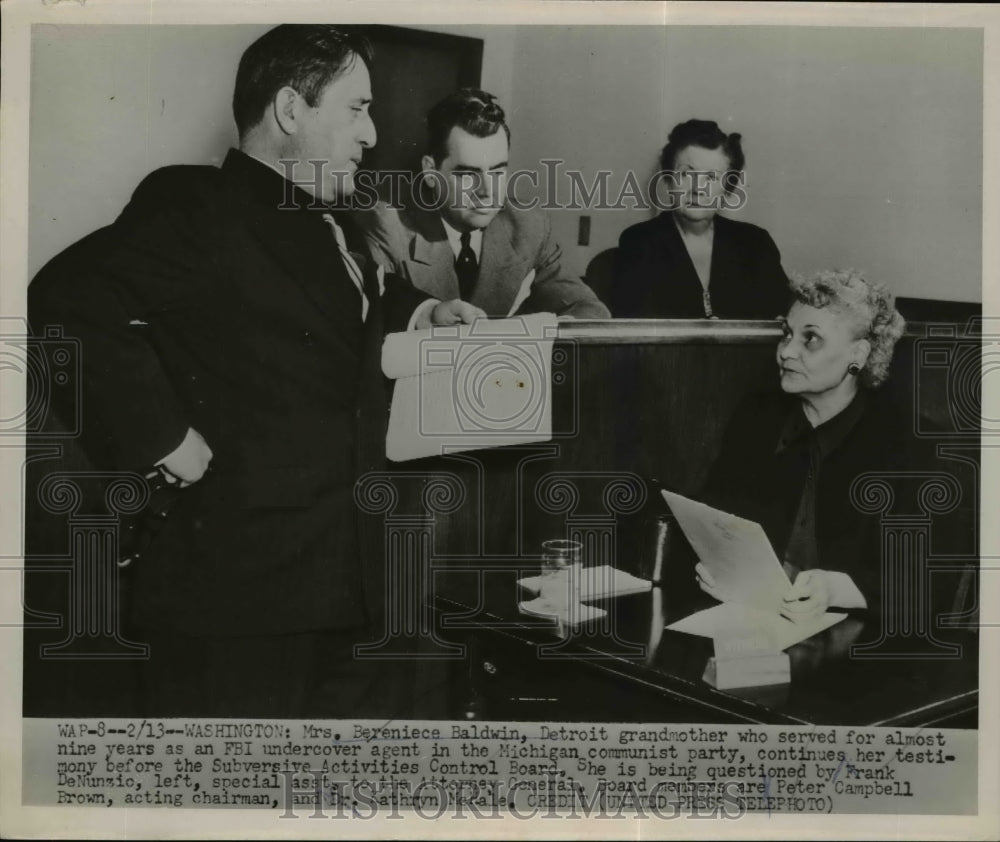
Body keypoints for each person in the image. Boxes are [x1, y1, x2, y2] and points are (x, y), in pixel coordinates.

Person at [28, 24, 482, 718]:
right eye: (357, 109)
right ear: (290, 109)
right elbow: (63, 300)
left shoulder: (336, 219)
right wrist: (160, 436)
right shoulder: (196, 204)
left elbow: (357, 306)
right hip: (238, 600)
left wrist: (424, 313)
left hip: (353, 582)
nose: (371, 134)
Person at [694, 269, 908, 620]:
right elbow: (715, 515)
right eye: (787, 334)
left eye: (811, 339)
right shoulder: (756, 419)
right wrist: (719, 566)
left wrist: (838, 589)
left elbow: (922, 583)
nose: (786, 352)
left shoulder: (906, 445)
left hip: (858, 639)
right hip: (751, 620)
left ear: (858, 354)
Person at [357, 88, 611, 319]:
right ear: (431, 172)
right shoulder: (388, 227)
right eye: (468, 175)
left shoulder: (527, 225)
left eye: (498, 172)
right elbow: (370, 322)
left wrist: (549, 334)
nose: (487, 192)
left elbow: (590, 310)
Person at [612, 119, 789, 319]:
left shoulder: (756, 243)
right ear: (669, 179)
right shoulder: (639, 241)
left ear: (727, 187)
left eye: (712, 177)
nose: (698, 189)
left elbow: (784, 314)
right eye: (686, 174)